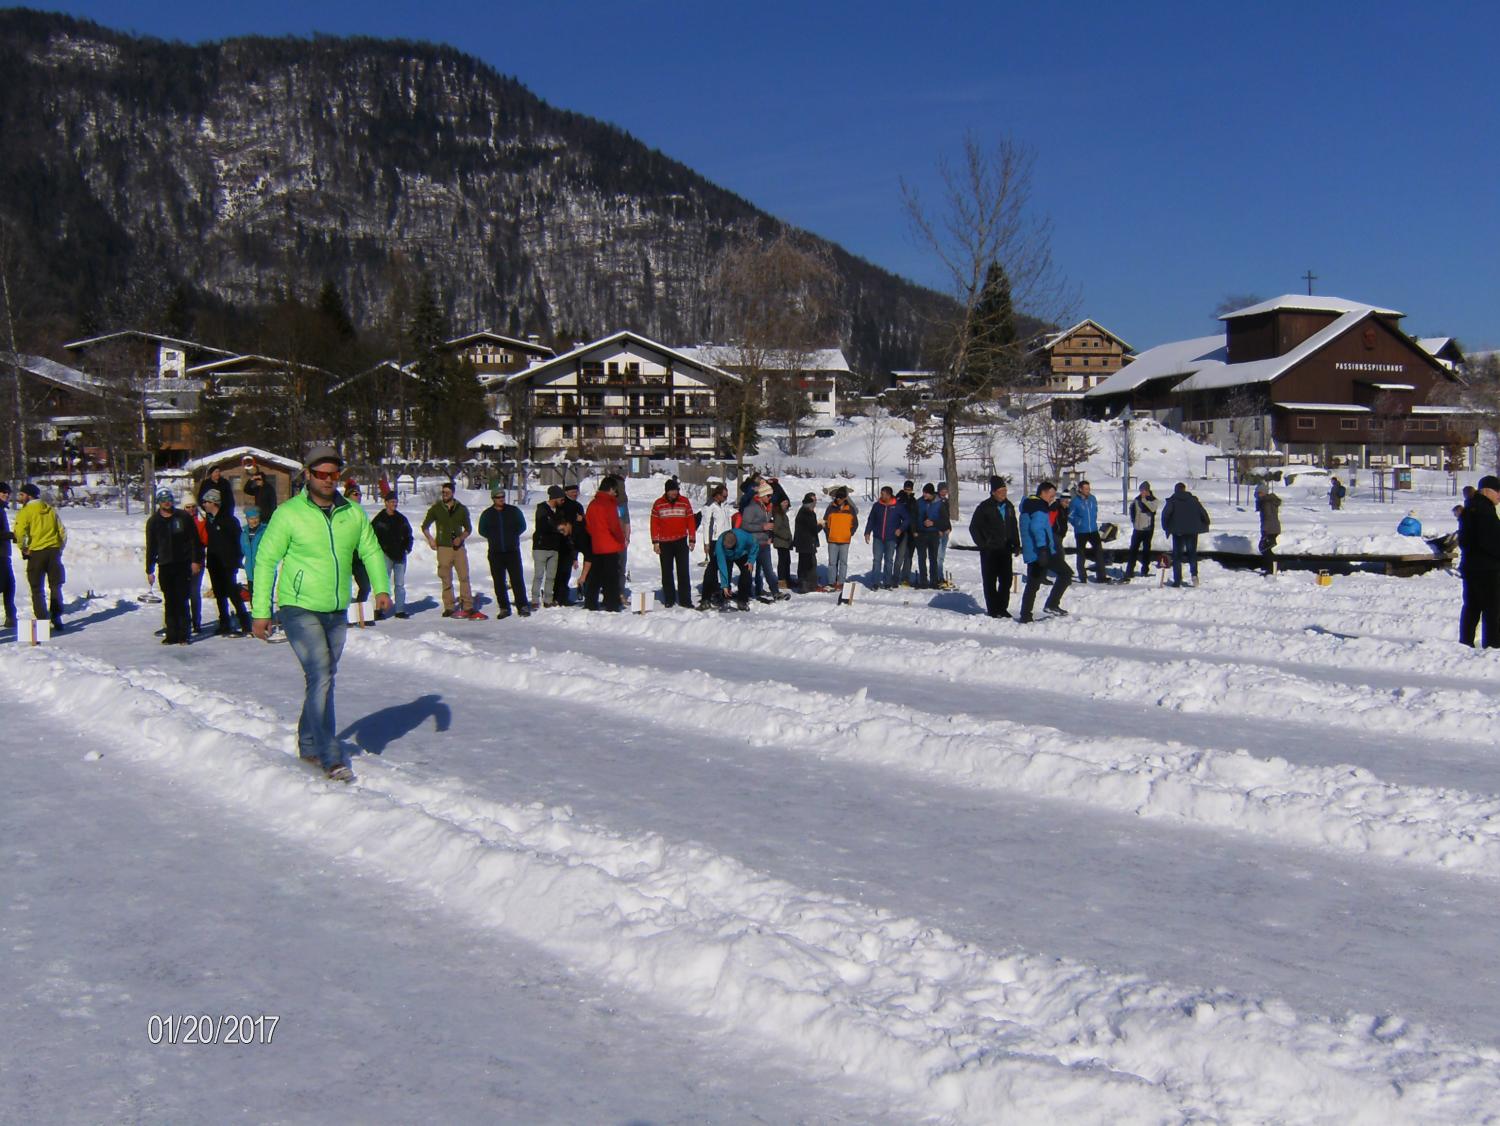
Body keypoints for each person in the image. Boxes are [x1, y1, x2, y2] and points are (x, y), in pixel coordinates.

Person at [251, 446, 391, 782]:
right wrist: (261, 611)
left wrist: (382, 588)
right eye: (321, 474)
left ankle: (308, 742)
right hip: (298, 607)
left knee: (322, 677)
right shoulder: (289, 514)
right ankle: (330, 755)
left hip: (336, 608)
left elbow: (370, 549)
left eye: (334, 474)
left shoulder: (351, 513)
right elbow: (266, 560)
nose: (328, 480)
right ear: (308, 475)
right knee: (321, 673)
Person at [145, 489, 203, 645]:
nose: (167, 502)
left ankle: (184, 634)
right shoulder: (154, 522)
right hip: (165, 565)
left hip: (182, 564)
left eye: (169, 499)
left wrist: (195, 561)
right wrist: (149, 569)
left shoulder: (183, 517)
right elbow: (151, 546)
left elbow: (194, 540)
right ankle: (172, 634)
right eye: (163, 500)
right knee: (169, 600)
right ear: (159, 502)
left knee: (182, 599)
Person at [422, 480, 483, 619]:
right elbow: (425, 526)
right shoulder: (436, 509)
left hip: (458, 548)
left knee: (464, 576)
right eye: (443, 492)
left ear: (453, 493)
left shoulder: (461, 509)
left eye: (447, 492)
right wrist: (431, 539)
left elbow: (468, 529)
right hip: (443, 548)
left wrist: (461, 538)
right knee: (445, 577)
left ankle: (467, 605)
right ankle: (449, 606)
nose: (444, 494)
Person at [13, 482, 66, 631]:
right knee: (55, 586)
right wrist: (59, 548)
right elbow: (62, 531)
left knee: (37, 589)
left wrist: (24, 548)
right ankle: (57, 617)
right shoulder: (50, 509)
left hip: (36, 553)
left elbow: (20, 533)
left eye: (22, 494)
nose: (20, 497)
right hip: (53, 552)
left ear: (29, 496)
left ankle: (42, 622)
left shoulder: (25, 512)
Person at [1018, 481, 1072, 623]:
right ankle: (1052, 604)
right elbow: (1037, 528)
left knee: (1033, 583)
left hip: (1032, 551)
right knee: (1066, 573)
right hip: (1042, 551)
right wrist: (1043, 548)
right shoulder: (1039, 506)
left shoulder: (1028, 505)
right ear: (1043, 492)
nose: (1052, 499)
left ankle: (1025, 615)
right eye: (1051, 495)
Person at [201, 489, 252, 635]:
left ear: (214, 503)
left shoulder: (229, 520)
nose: (204, 504)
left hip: (228, 563)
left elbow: (239, 542)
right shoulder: (210, 520)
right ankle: (224, 623)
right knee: (219, 594)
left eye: (206, 502)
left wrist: (236, 560)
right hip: (214, 562)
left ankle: (245, 622)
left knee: (232, 593)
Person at [969, 476, 1020, 618]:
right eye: (1001, 491)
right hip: (990, 550)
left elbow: (1013, 526)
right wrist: (983, 544)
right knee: (990, 581)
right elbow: (974, 528)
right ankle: (993, 609)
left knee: (1006, 580)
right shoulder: (984, 507)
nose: (1004, 493)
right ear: (993, 492)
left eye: (1005, 490)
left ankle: (1002, 608)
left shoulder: (1009, 506)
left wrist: (1016, 543)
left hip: (1005, 548)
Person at [1459, 476, 1500, 648]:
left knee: (1472, 607)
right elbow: (1491, 541)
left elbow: (1464, 540)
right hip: (1487, 569)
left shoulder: (1471, 508)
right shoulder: (1485, 511)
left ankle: (1465, 643)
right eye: (1498, 492)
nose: (1499, 496)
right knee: (1492, 610)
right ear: (1487, 491)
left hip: (1471, 567)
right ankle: (1493, 646)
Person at [477, 485, 529, 618]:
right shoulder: (487, 514)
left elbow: (522, 526)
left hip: (512, 551)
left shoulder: (513, 511)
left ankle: (522, 605)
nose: (501, 499)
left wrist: (512, 535)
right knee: (499, 581)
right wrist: (493, 537)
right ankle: (504, 607)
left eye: (503, 496)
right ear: (493, 499)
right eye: (498, 497)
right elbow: (482, 530)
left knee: (517, 579)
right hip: (495, 552)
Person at [649, 478, 696, 609]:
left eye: (676, 490)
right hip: (665, 543)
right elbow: (654, 524)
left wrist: (692, 539)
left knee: (683, 571)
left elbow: (690, 521)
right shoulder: (658, 504)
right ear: (666, 491)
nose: (675, 493)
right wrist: (655, 542)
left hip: (681, 541)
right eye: (672, 491)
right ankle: (669, 598)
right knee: (666, 571)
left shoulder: (684, 502)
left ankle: (685, 600)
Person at [585, 475, 626, 611]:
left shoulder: (592, 504)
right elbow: (614, 525)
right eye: (615, 490)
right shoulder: (609, 504)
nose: (615, 493)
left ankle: (590, 602)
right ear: (611, 489)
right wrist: (621, 539)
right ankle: (612, 603)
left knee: (595, 577)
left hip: (597, 545)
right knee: (612, 577)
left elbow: (588, 525)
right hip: (610, 546)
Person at [370, 492, 413, 619]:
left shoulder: (401, 519)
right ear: (386, 503)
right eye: (392, 502)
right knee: (383, 583)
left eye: (396, 501)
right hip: (385, 555)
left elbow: (409, 535)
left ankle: (399, 610)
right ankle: (379, 609)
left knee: (400, 585)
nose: (394, 504)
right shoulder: (379, 519)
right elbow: (372, 536)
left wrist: (407, 548)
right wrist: (378, 550)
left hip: (400, 555)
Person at [1161, 481, 1211, 587]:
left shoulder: (1172, 501)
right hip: (1192, 532)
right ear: (1184, 489)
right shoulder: (1193, 500)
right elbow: (1203, 513)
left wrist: (1166, 527)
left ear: (1175, 490)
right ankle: (1194, 575)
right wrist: (1206, 523)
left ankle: (1177, 579)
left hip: (1177, 532)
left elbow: (1165, 515)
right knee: (1192, 554)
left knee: (1177, 556)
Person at [739, 481, 784, 599]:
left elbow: (768, 524)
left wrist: (770, 535)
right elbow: (745, 526)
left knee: (768, 570)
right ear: (762, 495)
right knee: (748, 570)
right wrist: (762, 527)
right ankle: (745, 593)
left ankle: (775, 592)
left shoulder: (766, 508)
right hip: (752, 544)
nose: (770, 498)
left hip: (764, 544)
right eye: (768, 496)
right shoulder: (751, 507)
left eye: (771, 496)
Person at [697, 482, 737, 606]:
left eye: (727, 496)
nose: (726, 498)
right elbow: (706, 524)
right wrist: (706, 543)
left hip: (727, 539)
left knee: (728, 566)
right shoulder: (710, 506)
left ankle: (726, 590)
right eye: (724, 496)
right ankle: (708, 593)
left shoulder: (725, 505)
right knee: (713, 567)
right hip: (715, 540)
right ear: (717, 495)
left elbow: (728, 521)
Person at [531, 485, 569, 609]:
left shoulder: (560, 511)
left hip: (554, 547)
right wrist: (558, 528)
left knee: (551, 576)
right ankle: (535, 599)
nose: (563, 501)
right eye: (561, 498)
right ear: (555, 498)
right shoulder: (542, 509)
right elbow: (543, 526)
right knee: (539, 575)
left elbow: (563, 524)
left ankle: (548, 599)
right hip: (541, 547)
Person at [864, 485, 908, 589]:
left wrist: (900, 529)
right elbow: (871, 519)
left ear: (889, 495)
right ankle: (875, 582)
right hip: (878, 537)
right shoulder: (877, 505)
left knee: (889, 560)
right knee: (877, 560)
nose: (881, 495)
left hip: (891, 538)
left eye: (883, 494)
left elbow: (907, 519)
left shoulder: (898, 506)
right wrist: (867, 532)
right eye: (881, 493)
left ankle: (887, 582)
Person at [1066, 480, 1107, 584]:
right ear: (1080, 489)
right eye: (1086, 489)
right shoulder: (1075, 501)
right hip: (1081, 531)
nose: (1088, 490)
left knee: (1099, 552)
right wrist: (1078, 523)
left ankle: (1101, 576)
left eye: (1089, 488)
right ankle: (1082, 576)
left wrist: (1093, 520)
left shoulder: (1092, 499)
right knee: (1081, 554)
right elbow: (1070, 516)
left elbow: (1095, 511)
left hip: (1093, 530)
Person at [554, 482, 586, 607]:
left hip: (573, 540)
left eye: (576, 491)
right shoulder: (562, 505)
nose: (575, 494)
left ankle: (562, 595)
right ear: (566, 492)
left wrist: (582, 520)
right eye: (572, 492)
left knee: (565, 570)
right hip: (564, 541)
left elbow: (582, 523)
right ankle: (560, 596)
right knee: (562, 570)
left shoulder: (577, 505)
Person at [712, 527, 760, 609]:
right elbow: (722, 565)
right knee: (727, 572)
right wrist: (724, 585)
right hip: (727, 557)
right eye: (726, 547)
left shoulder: (743, 536)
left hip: (741, 554)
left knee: (746, 571)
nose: (728, 548)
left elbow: (755, 544)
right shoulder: (719, 545)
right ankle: (725, 594)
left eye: (730, 547)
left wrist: (751, 560)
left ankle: (742, 599)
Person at [822, 487, 859, 591]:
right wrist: (829, 533)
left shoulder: (850, 509)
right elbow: (825, 522)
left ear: (845, 498)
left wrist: (849, 533)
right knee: (832, 563)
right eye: (837, 497)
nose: (838, 499)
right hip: (832, 540)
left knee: (843, 562)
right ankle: (831, 582)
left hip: (845, 540)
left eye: (840, 497)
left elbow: (855, 524)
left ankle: (841, 582)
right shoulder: (831, 508)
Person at [182, 496, 208, 633]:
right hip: (181, 561)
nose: (191, 509)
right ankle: (184, 621)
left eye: (193, 506)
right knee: (182, 593)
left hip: (197, 560)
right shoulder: (179, 520)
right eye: (188, 507)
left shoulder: (201, 521)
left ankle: (196, 622)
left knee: (194, 592)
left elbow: (205, 540)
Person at [1123, 482, 1158, 581]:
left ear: (1147, 490)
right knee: (1133, 550)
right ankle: (1129, 571)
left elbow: (1152, 509)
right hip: (1137, 529)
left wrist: (1144, 499)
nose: (1142, 492)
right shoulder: (1136, 499)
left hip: (1147, 529)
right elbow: (1132, 509)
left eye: (1143, 490)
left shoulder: (1153, 500)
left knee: (1146, 550)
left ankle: (1145, 570)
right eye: (1141, 490)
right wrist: (1133, 521)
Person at [914, 483, 946, 588]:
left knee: (933, 558)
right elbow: (913, 517)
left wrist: (934, 523)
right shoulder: (919, 502)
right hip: (921, 533)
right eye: (923, 492)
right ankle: (923, 581)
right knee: (921, 558)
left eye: (926, 493)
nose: (924, 495)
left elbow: (944, 520)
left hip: (933, 534)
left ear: (931, 493)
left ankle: (934, 581)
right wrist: (914, 530)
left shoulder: (939, 503)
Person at [793, 492, 821, 592]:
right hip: (806, 543)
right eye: (813, 500)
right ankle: (808, 585)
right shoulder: (807, 513)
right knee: (809, 564)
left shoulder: (805, 511)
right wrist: (821, 525)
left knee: (806, 564)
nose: (815, 502)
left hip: (805, 543)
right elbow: (812, 529)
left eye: (815, 500)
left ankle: (806, 584)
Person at [895, 480, 920, 586]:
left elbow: (916, 516)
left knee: (909, 556)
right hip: (902, 531)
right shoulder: (899, 499)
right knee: (900, 555)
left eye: (909, 489)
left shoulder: (914, 501)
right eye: (906, 489)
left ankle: (905, 577)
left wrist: (916, 530)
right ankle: (895, 577)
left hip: (911, 531)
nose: (907, 491)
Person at [1255, 484, 1281, 576]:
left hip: (1270, 529)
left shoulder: (1266, 502)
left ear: (1264, 493)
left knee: (1264, 548)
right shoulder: (1268, 501)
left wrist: (1265, 530)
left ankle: (1272, 568)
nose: (1258, 495)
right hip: (1272, 528)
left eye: (1260, 493)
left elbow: (1267, 517)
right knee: (1265, 548)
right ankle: (1271, 567)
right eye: (1257, 493)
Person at [0, 481, 16, 629]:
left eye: (8, 493)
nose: (6, 495)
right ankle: (11, 616)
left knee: (9, 585)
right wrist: (11, 535)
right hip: (1, 555)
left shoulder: (1, 509)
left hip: (4, 554)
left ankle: (11, 617)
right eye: (3, 492)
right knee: (7, 585)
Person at [240, 507, 265, 603]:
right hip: (250, 571)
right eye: (251, 518)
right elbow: (243, 550)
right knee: (253, 598)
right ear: (247, 519)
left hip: (263, 571)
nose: (254, 521)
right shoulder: (244, 533)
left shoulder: (264, 531)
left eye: (256, 518)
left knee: (263, 599)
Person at [771, 496, 794, 588]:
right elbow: (776, 529)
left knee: (787, 561)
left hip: (785, 542)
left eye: (787, 502)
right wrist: (786, 536)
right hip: (781, 542)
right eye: (784, 502)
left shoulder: (783, 514)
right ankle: (781, 580)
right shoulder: (778, 514)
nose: (786, 504)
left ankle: (787, 579)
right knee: (783, 561)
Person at [935, 483, 954, 588]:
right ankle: (938, 577)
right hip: (938, 532)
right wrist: (937, 529)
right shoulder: (935, 501)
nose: (944, 492)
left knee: (942, 556)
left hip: (945, 531)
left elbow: (947, 516)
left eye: (945, 490)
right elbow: (933, 516)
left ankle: (940, 576)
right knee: (938, 556)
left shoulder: (946, 501)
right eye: (942, 490)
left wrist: (949, 527)